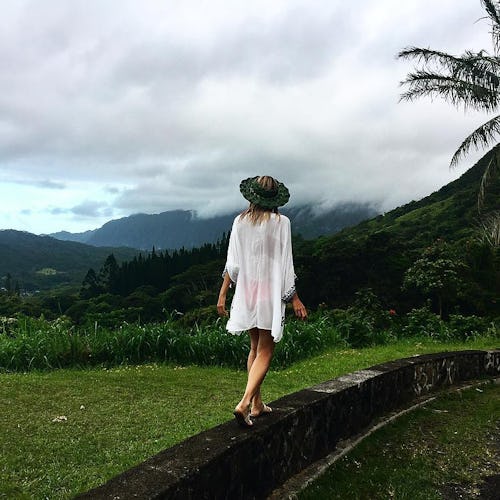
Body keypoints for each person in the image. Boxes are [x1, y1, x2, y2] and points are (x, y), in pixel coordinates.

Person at [217, 175, 307, 428]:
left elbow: (232, 264)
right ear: (275, 199)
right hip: (270, 291)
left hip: (247, 290)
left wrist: (223, 293)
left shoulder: (240, 221)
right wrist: (295, 298)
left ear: (252, 196)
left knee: (255, 346)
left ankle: (257, 404)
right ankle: (245, 402)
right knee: (266, 348)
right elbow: (286, 264)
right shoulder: (281, 222)